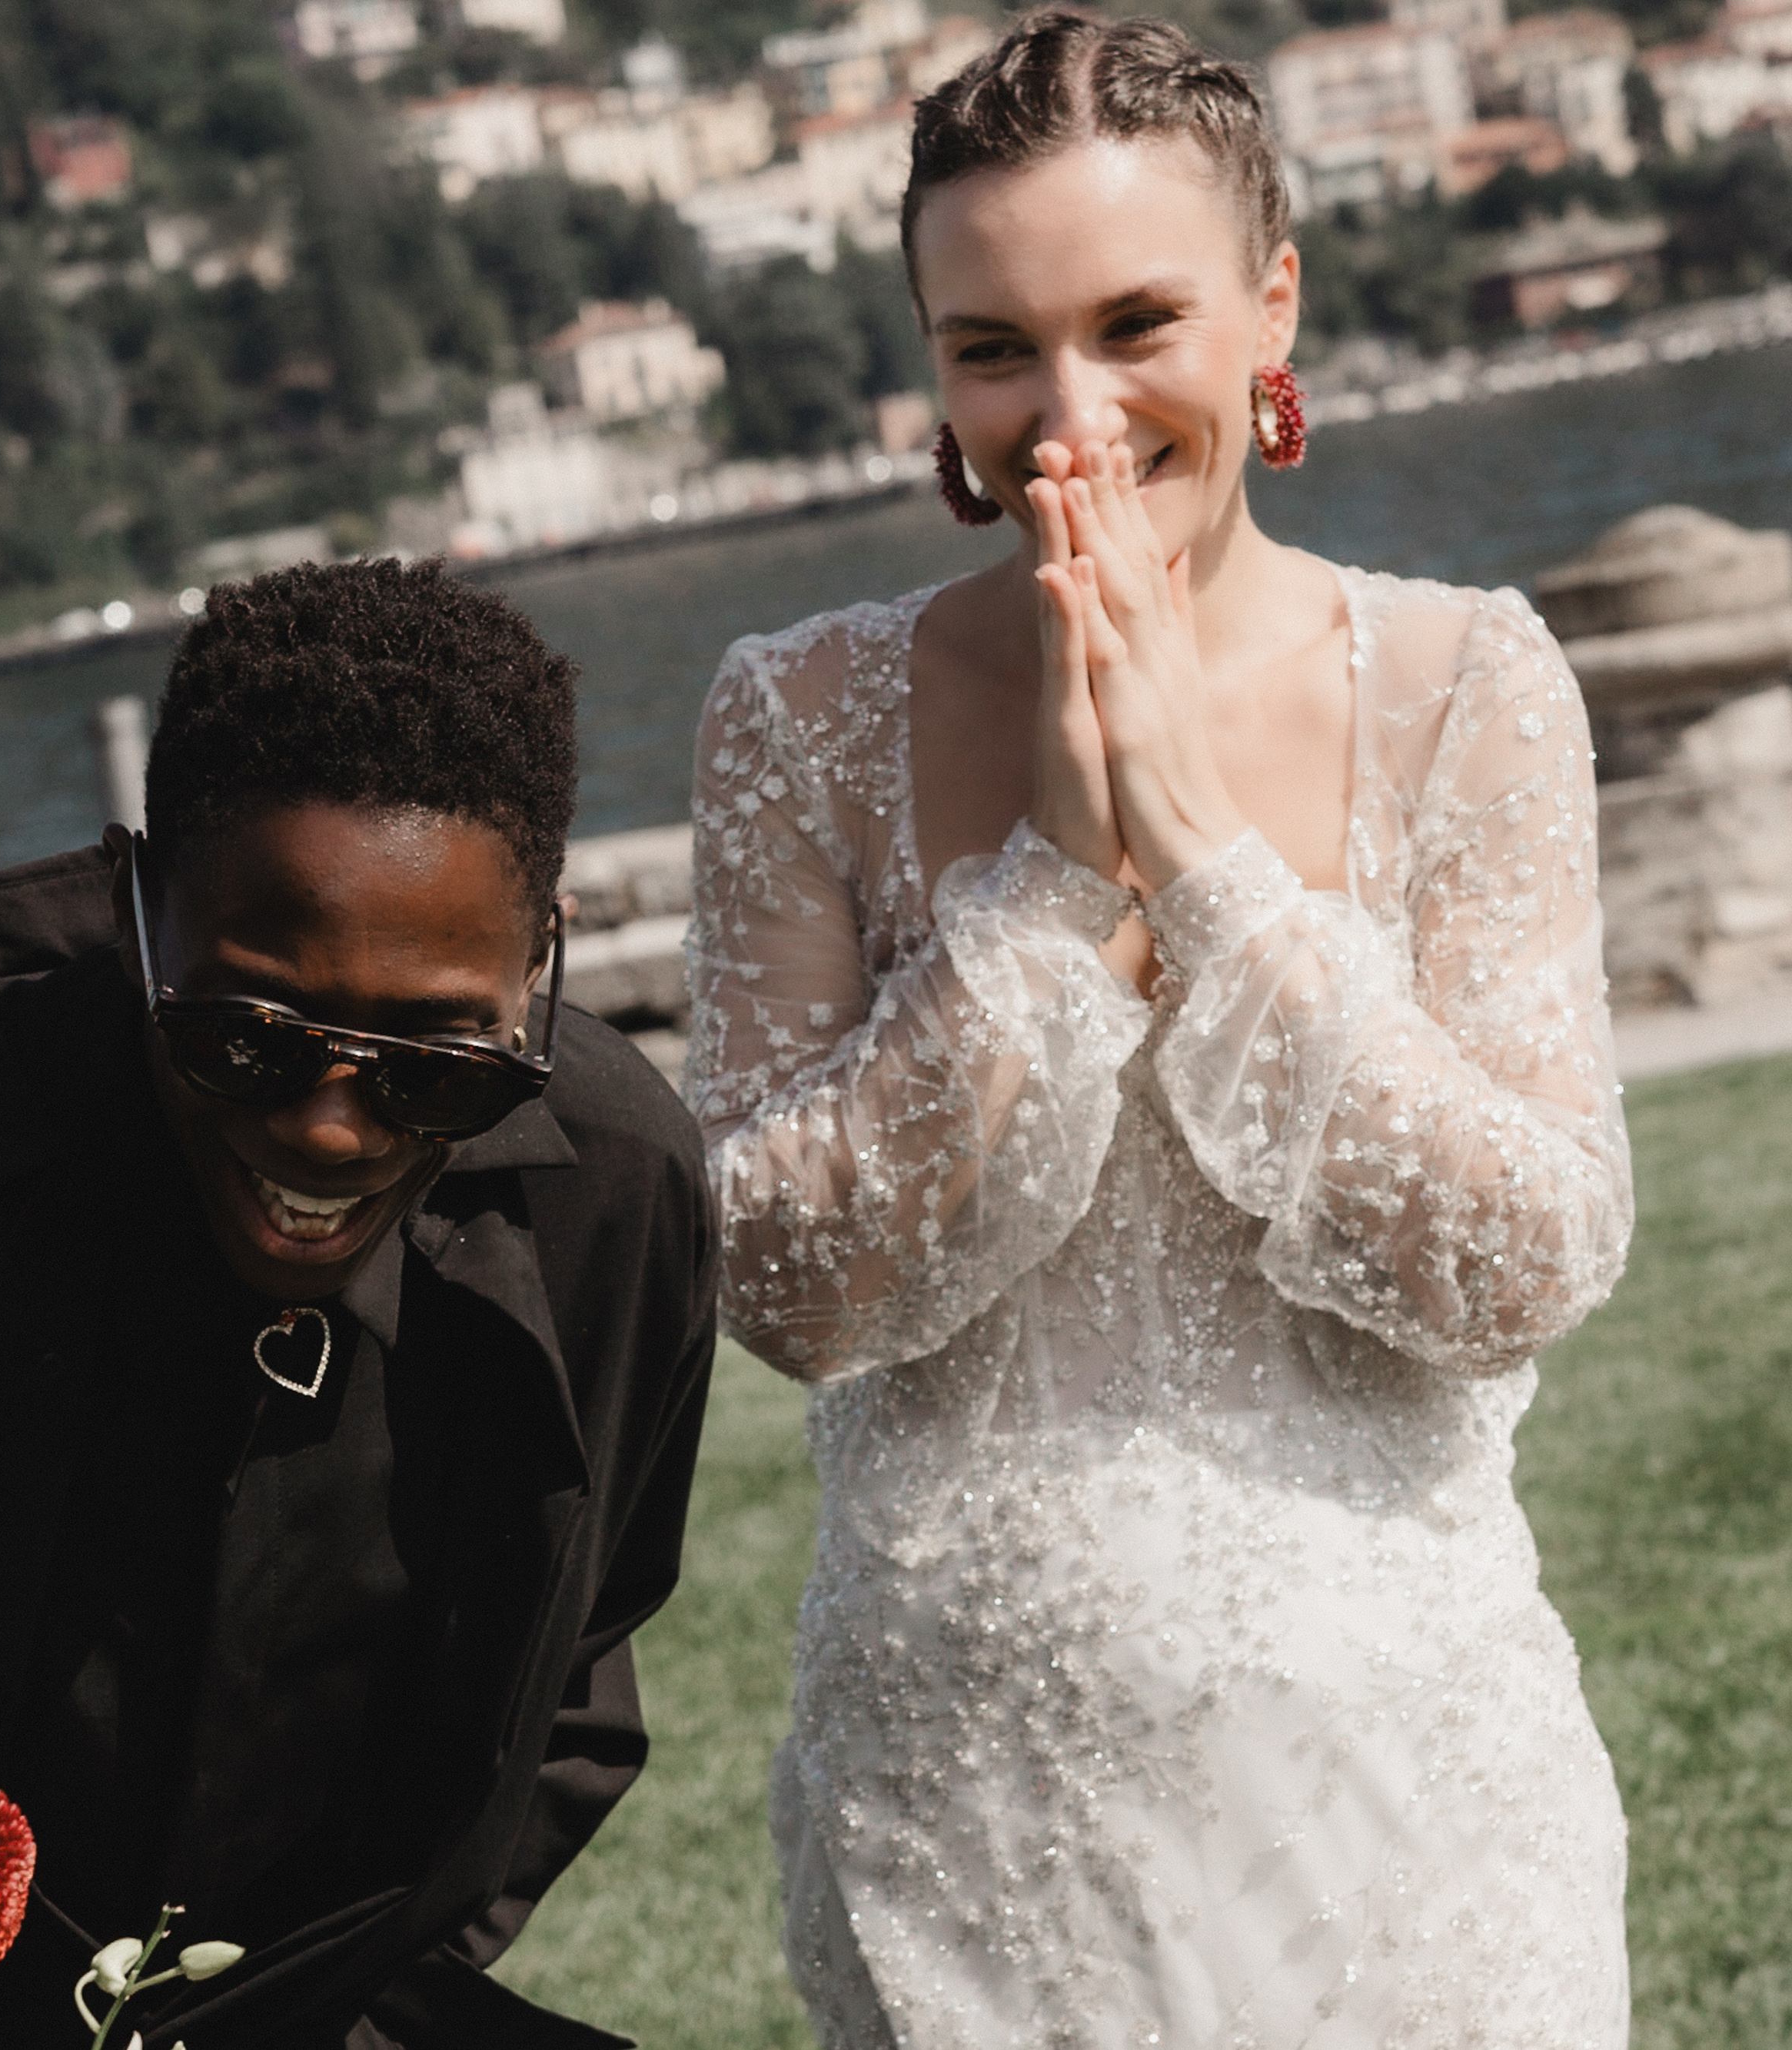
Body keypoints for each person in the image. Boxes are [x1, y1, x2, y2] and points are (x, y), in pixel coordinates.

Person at [684, 14, 1634, 2046]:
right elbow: (780, 1281)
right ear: (930, 365)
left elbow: (1531, 1260)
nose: (1071, 415)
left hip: (1417, 1813)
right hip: (974, 1833)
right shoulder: (795, 715)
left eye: (1137, 322)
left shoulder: (1474, 684)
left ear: (1273, 298)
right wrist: (1043, 880)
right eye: (994, 345)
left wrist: (1202, 865)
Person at [0, 559, 718, 2049]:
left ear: (536, 966)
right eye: (243, 1039)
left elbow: (568, 1682)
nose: (329, 1129)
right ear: (138, 909)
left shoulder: (610, 1194)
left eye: (438, 1063)